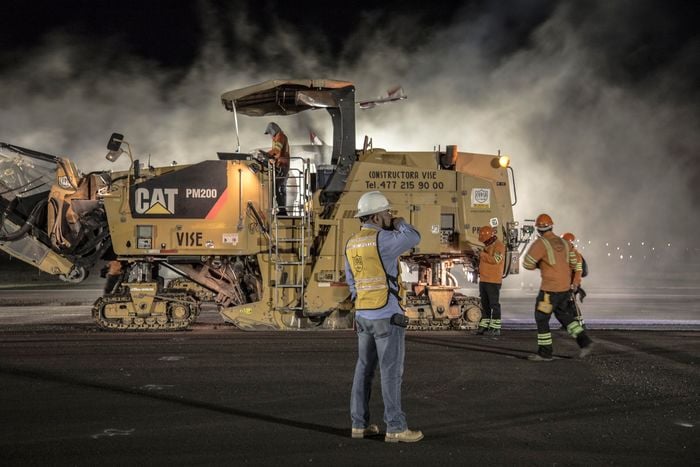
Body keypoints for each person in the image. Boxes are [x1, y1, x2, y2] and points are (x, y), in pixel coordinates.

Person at [345, 191, 424, 443]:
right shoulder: (384, 239)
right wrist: (399, 222)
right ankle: (396, 427)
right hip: (387, 315)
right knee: (390, 372)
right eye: (387, 212)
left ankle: (359, 425)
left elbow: (352, 282)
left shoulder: (352, 243)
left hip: (363, 315)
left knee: (364, 369)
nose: (390, 215)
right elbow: (414, 236)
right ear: (377, 216)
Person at [522, 214, 594, 361]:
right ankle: (584, 341)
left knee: (541, 318)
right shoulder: (566, 244)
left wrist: (541, 264)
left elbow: (527, 264)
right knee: (564, 316)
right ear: (551, 226)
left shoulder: (540, 244)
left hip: (549, 291)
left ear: (538, 229)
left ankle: (545, 353)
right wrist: (575, 282)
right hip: (564, 290)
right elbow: (577, 264)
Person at [475, 225, 506, 336]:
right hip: (484, 280)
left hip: (493, 281)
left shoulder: (499, 245)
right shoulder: (488, 246)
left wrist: (482, 254)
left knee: (494, 304)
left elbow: (496, 260)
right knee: (485, 305)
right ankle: (484, 326)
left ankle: (495, 328)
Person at [264, 122, 290, 215]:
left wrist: (266, 155)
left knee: (275, 188)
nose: (270, 135)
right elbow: (277, 154)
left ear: (273, 130)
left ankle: (282, 211)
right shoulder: (278, 137)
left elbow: (276, 150)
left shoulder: (280, 137)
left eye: (270, 133)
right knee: (277, 188)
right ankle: (282, 210)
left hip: (282, 166)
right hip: (280, 166)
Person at [562, 232, 586, 327]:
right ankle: (571, 323)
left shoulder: (575, 255)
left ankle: (580, 323)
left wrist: (575, 284)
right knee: (567, 303)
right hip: (568, 283)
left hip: (572, 283)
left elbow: (578, 271)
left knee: (571, 303)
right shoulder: (566, 253)